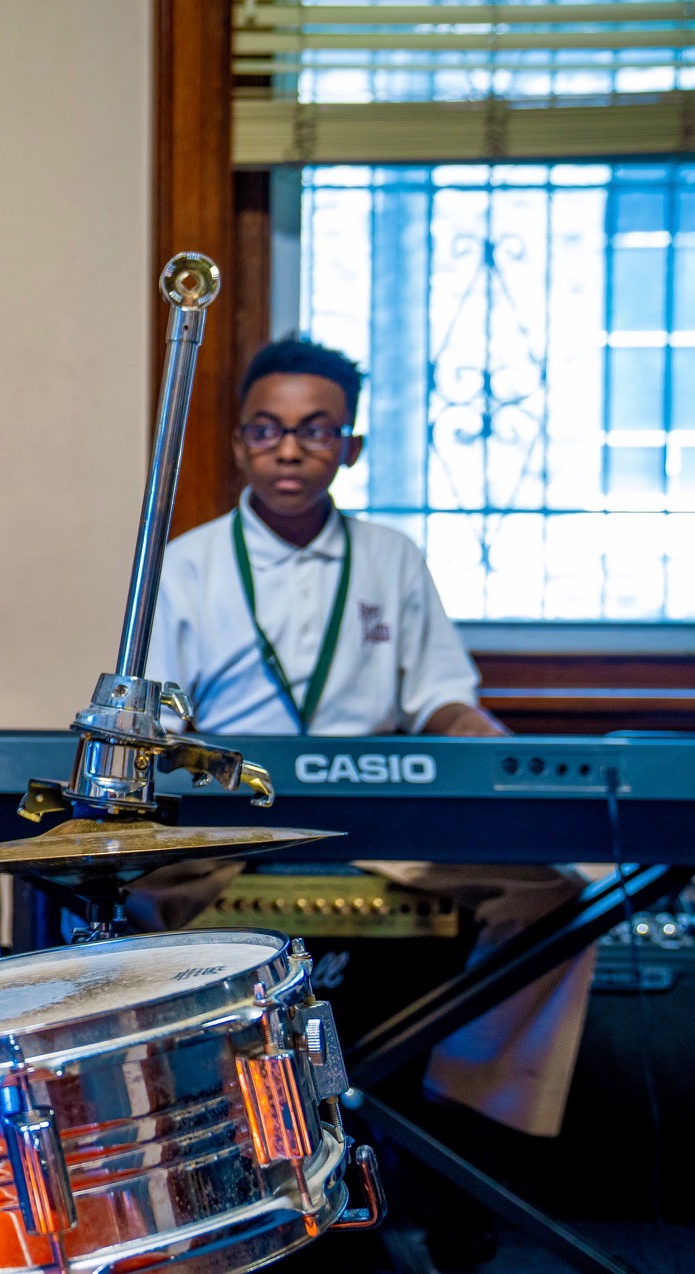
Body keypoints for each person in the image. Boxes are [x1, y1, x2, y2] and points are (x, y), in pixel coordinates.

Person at [141, 335, 594, 1142]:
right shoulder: (188, 564)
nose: (289, 449)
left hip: (381, 824)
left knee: (555, 889)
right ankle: (183, 1131)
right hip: (231, 824)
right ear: (240, 440)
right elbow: (160, 726)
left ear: (348, 447)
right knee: (113, 899)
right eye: (266, 428)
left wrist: (505, 763)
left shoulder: (392, 558)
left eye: (316, 430)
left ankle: (468, 1106)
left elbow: (443, 702)